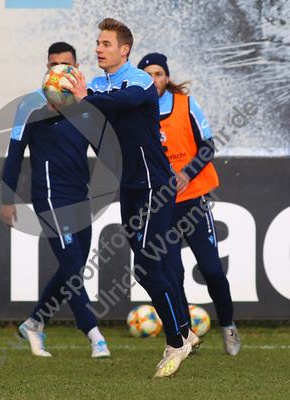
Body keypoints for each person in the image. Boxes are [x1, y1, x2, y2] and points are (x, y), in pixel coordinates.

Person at [62, 18, 200, 377]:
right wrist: (67, 103)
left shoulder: (139, 79)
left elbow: (130, 99)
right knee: (152, 264)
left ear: (124, 49)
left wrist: (86, 99)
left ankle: (176, 342)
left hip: (157, 184)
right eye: (96, 42)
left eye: (105, 43)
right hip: (130, 187)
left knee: (146, 267)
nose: (97, 48)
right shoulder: (93, 85)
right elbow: (92, 126)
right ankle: (184, 330)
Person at [0, 42, 110, 359]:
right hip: (49, 200)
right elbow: (14, 155)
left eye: (66, 65)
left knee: (68, 269)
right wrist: (7, 199)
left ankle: (35, 323)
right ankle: (95, 336)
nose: (58, 70)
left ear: (76, 71)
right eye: (53, 65)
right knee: (73, 270)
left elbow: (104, 150)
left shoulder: (85, 108)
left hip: (81, 200)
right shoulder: (31, 109)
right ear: (46, 70)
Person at [138, 52, 241, 356]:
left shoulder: (185, 104)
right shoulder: (138, 110)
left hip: (192, 201)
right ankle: (185, 335)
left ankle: (228, 324)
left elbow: (208, 146)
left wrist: (186, 173)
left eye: (159, 73)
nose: (154, 79)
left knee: (211, 269)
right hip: (161, 206)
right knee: (174, 274)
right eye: (149, 75)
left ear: (166, 77)